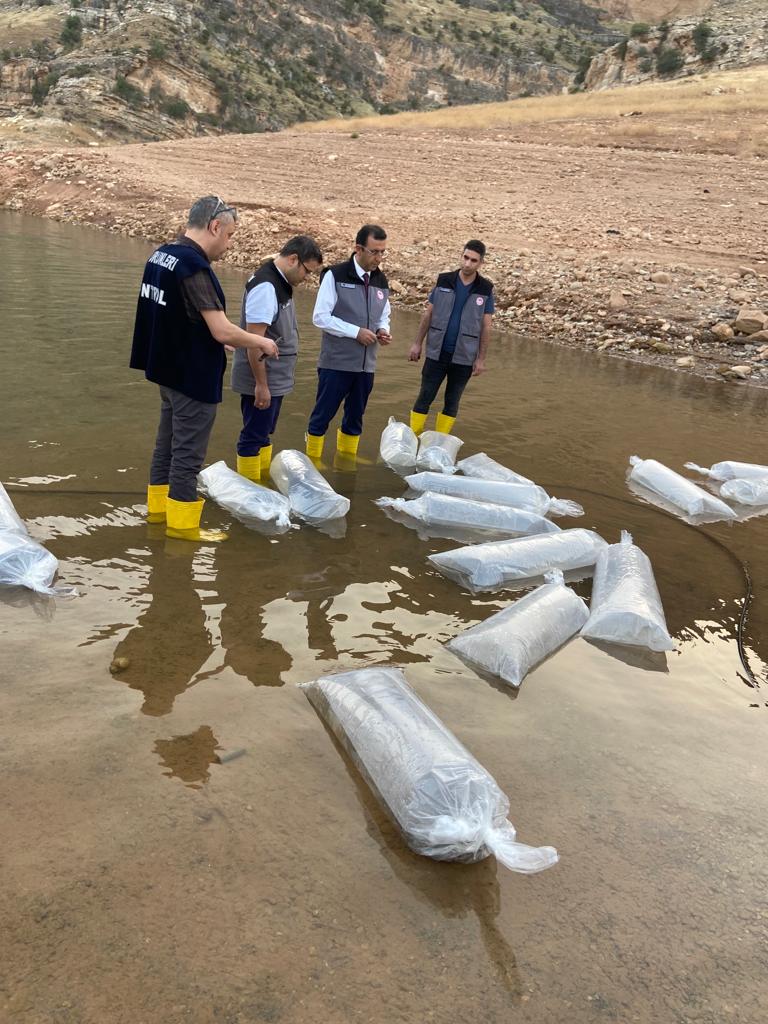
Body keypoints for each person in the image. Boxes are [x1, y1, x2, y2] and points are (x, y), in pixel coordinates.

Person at [130, 195, 278, 541]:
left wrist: (217, 337)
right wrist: (262, 343)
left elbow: (177, 316)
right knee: (187, 455)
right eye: (229, 236)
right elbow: (222, 328)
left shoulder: (161, 255)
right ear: (215, 226)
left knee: (164, 445)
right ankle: (183, 528)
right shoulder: (193, 266)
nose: (228, 245)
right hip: (191, 378)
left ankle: (157, 513)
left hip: (166, 371)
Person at [231, 235, 323, 481]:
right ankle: (249, 490)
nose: (307, 278)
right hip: (263, 378)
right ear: (293, 260)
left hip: (274, 377)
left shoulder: (278, 282)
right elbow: (254, 343)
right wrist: (261, 385)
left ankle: (260, 482)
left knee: (263, 432)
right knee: (253, 435)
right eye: (307, 271)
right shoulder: (266, 287)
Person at [305, 224, 391, 460]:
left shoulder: (381, 281)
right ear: (358, 249)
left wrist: (383, 330)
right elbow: (320, 317)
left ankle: (346, 461)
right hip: (336, 363)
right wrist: (356, 332)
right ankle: (312, 462)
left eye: (383, 252)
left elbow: (384, 314)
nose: (379, 257)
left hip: (366, 366)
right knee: (322, 416)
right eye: (374, 251)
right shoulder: (335, 275)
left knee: (355, 418)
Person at [408, 240, 494, 435]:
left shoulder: (485, 289)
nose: (467, 264)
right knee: (424, 396)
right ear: (461, 255)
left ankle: (440, 444)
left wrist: (481, 359)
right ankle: (413, 438)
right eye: (465, 257)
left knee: (452, 402)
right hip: (436, 352)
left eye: (473, 260)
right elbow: (428, 314)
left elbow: (486, 326)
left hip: (464, 356)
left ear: (481, 263)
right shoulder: (444, 280)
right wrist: (416, 343)